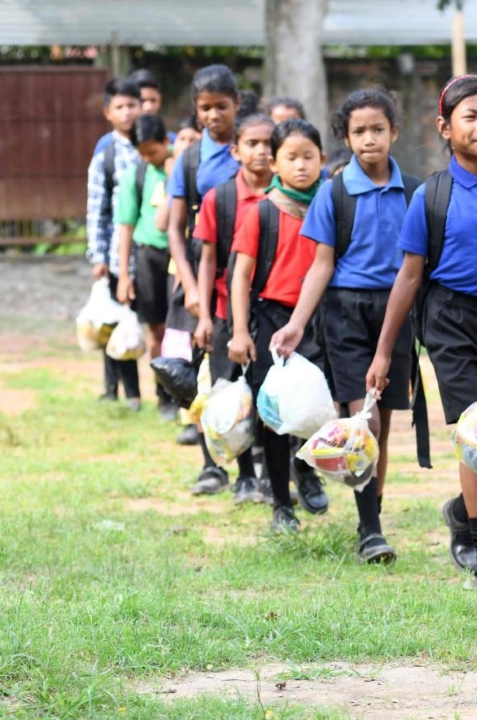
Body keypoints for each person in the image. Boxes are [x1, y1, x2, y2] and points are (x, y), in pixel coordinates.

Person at [366, 74, 477, 585]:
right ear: (444, 128)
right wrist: (385, 353)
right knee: (475, 433)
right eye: (470, 116)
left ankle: (462, 509)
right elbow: (409, 276)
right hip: (450, 321)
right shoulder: (432, 196)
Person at [271, 88, 421, 564]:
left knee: (385, 422)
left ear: (394, 132)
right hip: (345, 313)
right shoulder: (334, 193)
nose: (370, 138)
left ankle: (367, 517)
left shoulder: (414, 192)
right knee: (365, 418)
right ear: (346, 137)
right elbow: (320, 265)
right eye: (359, 131)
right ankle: (372, 531)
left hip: (396, 314)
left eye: (378, 129)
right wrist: (297, 323)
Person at [228, 119, 329, 532]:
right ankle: (281, 504)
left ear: (322, 160)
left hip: (320, 320)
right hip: (271, 320)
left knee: (315, 406)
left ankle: (306, 470)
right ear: (274, 163)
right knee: (273, 416)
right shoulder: (261, 212)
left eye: (309, 157)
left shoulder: (328, 206)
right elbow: (240, 275)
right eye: (291, 157)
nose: (301, 166)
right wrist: (237, 331)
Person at [191, 112, 280, 506]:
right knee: (231, 394)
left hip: (276, 310)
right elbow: (208, 258)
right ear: (235, 150)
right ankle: (243, 475)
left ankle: (274, 475)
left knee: (268, 393)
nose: (261, 152)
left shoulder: (287, 196)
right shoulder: (220, 198)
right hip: (230, 310)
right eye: (252, 144)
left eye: (268, 144)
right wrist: (206, 315)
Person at [165, 64, 242, 494]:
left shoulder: (251, 146)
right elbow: (175, 228)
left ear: (237, 105)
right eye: (205, 108)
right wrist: (191, 286)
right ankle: (210, 463)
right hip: (197, 267)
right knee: (194, 366)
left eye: (222, 107)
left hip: (246, 264)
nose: (214, 116)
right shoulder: (191, 158)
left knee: (237, 363)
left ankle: (255, 463)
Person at [85, 77, 143, 410]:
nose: (126, 113)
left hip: (148, 253)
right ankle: (125, 391)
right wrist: (98, 255)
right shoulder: (105, 155)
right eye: (119, 107)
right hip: (116, 257)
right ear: (108, 112)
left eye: (132, 105)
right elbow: (96, 209)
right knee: (116, 322)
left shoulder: (153, 145)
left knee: (145, 323)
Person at [114, 114, 176, 419]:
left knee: (178, 329)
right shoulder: (136, 174)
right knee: (156, 328)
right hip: (148, 256)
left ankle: (183, 394)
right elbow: (125, 227)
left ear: (167, 142)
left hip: (178, 258)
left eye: (151, 151)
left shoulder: (180, 166)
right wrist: (124, 274)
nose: (146, 157)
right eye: (141, 152)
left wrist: (172, 174)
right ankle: (163, 394)